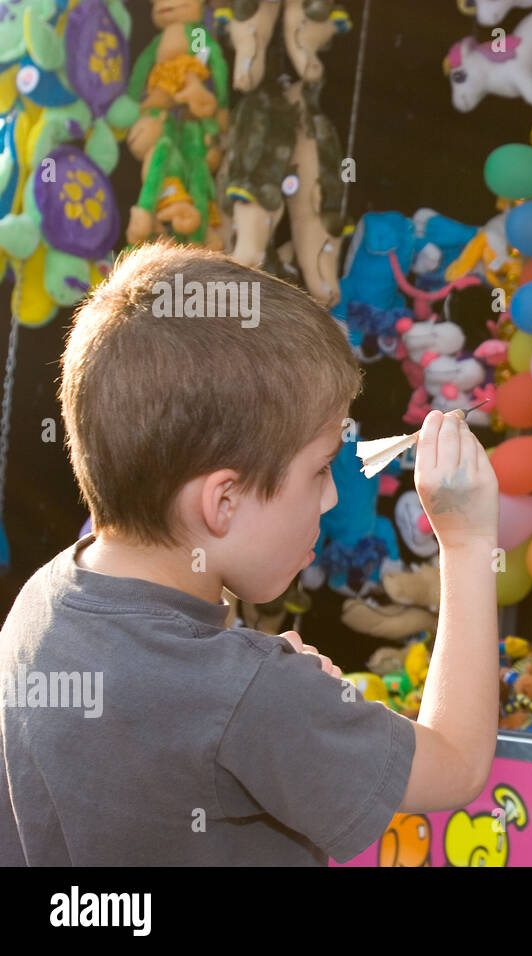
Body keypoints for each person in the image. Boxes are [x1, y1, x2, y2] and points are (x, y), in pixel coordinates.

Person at [0, 240, 500, 865]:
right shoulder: (252, 694)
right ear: (223, 502)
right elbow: (456, 763)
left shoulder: (40, 600)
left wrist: (261, 684)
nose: (330, 498)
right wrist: (468, 543)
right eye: (320, 469)